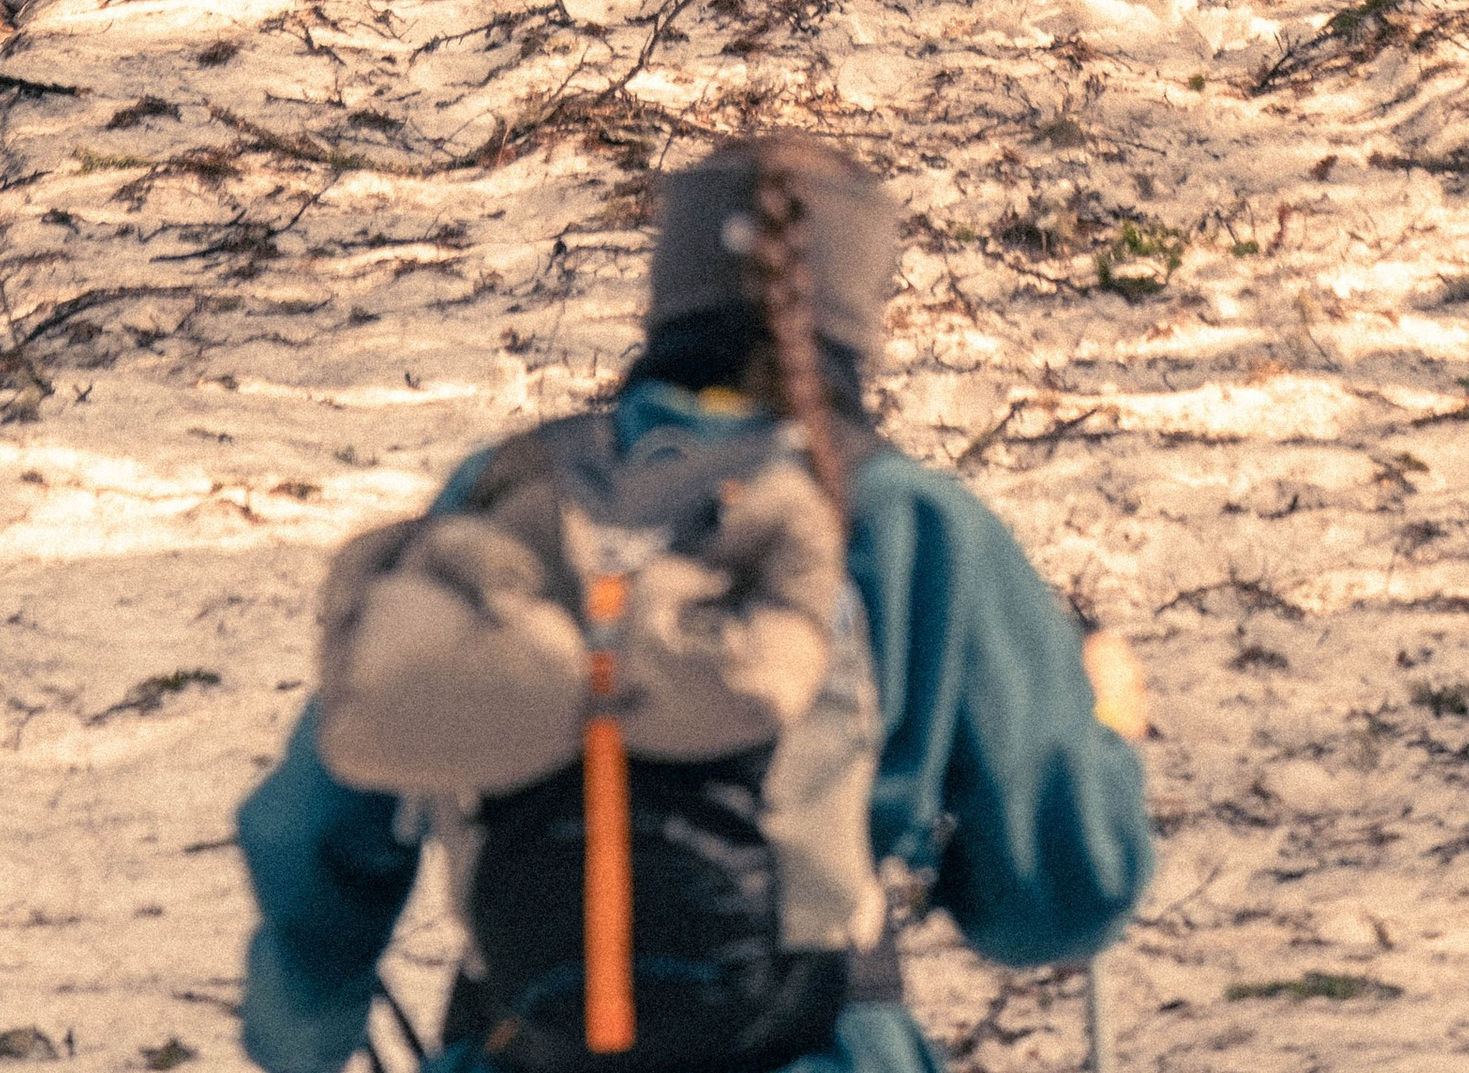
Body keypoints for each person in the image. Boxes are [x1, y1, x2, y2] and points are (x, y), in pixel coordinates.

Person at [236, 134, 1156, 1073]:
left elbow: (319, 825)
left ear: (662, 298)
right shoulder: (908, 519)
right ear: (858, 317)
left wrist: (299, 1031)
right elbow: (1056, 903)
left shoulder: (505, 493)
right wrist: (1103, 728)